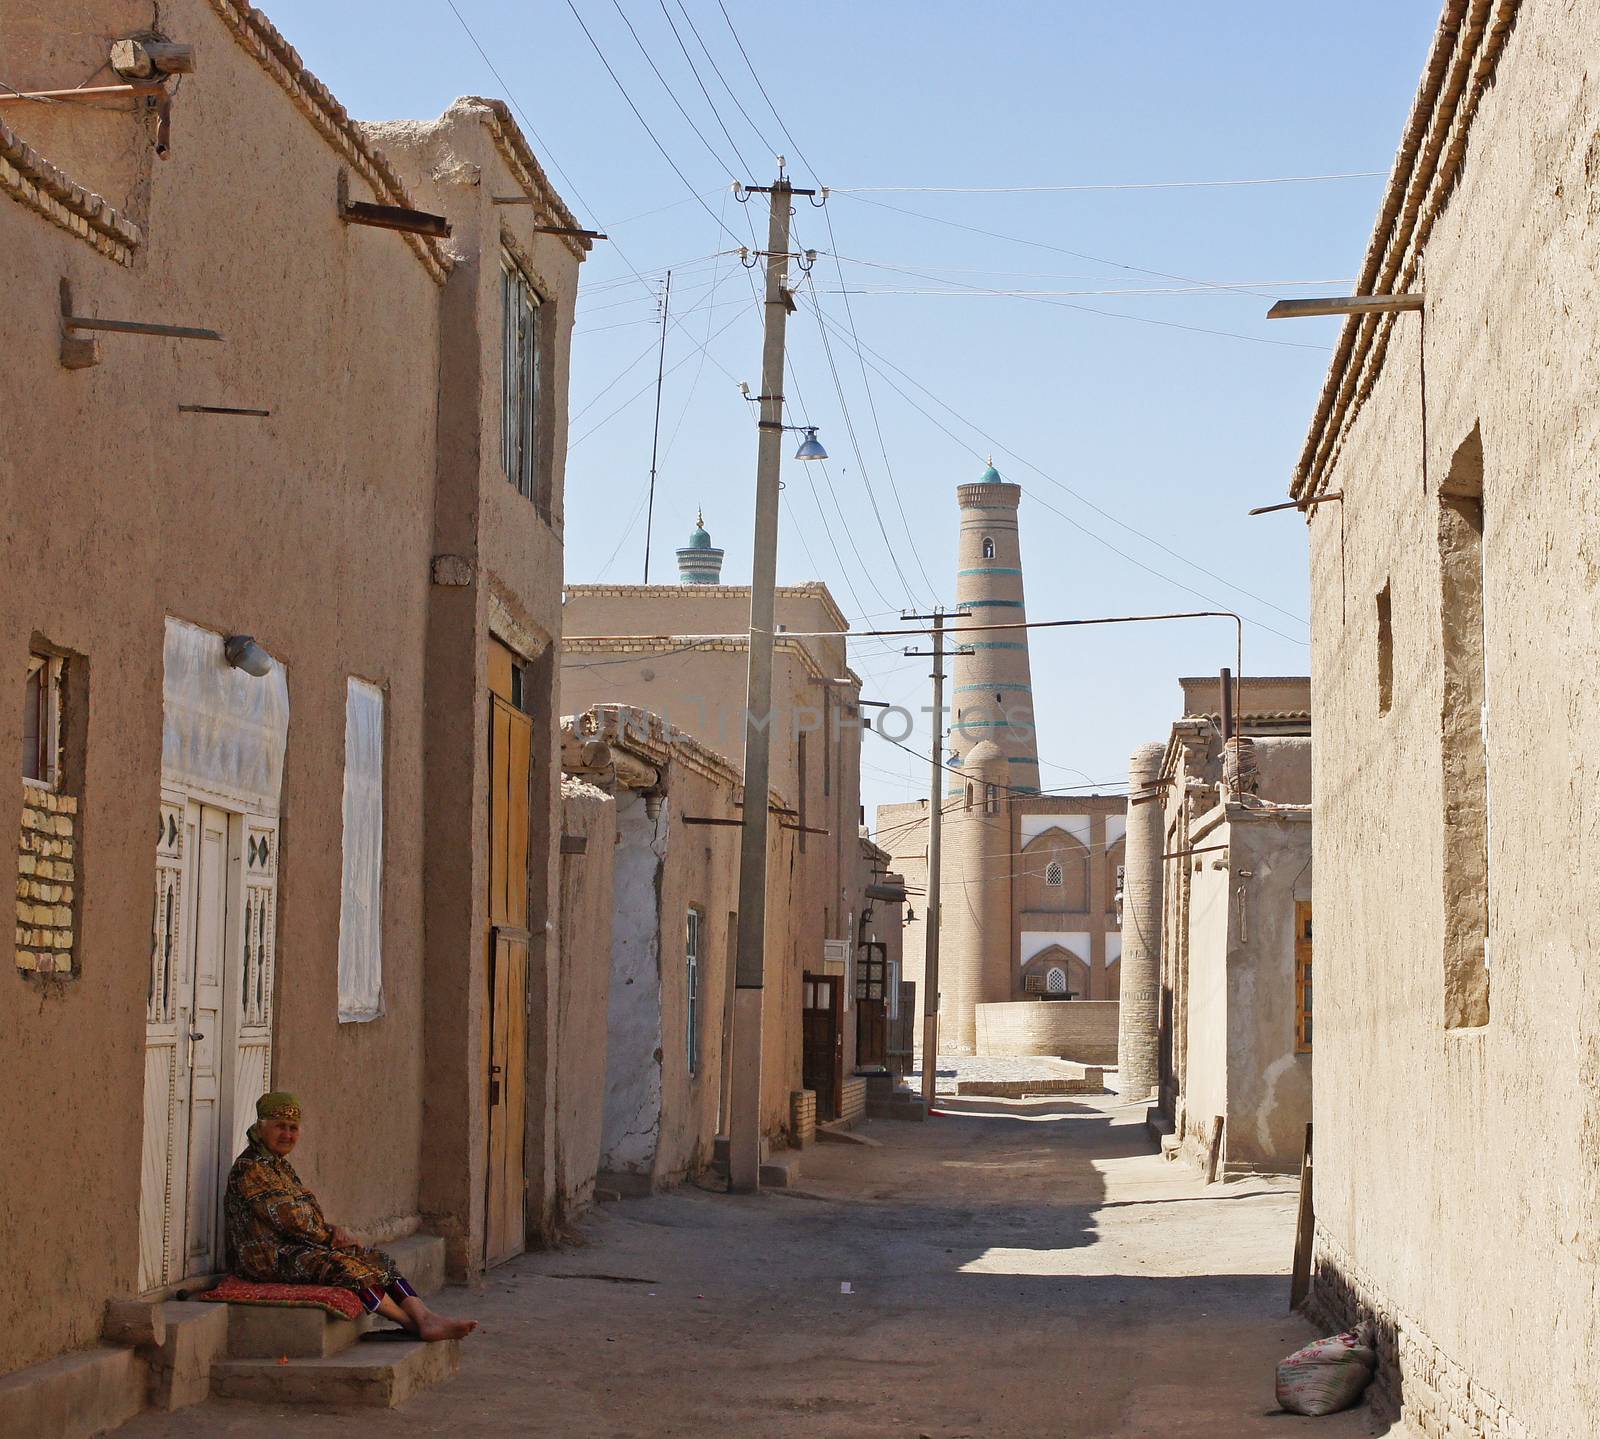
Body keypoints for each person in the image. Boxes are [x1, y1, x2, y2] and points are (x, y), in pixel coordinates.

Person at [224, 1091, 476, 1342]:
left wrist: (331, 1230)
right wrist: (331, 1237)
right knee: (345, 1266)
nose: (287, 1135)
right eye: (280, 1126)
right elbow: (291, 1219)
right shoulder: (252, 1169)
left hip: (294, 1246)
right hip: (265, 1257)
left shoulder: (277, 1164)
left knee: (375, 1258)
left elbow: (304, 1213)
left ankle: (425, 1318)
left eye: (293, 1128)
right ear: (261, 1127)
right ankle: (410, 1323)